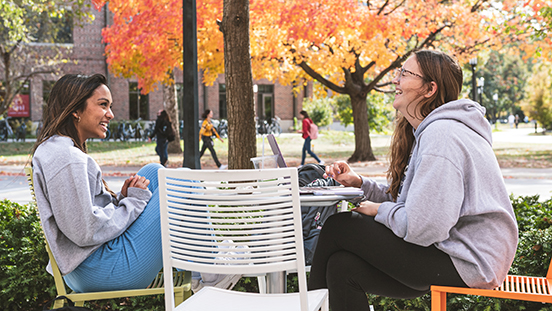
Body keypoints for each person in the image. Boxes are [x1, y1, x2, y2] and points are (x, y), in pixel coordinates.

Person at [307, 50, 518, 311]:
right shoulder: (435, 131)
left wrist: (379, 210)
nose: (396, 80)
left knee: (340, 227)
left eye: (405, 74)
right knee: (342, 267)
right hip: (453, 252)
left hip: (469, 262)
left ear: (429, 89)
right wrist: (361, 184)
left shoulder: (442, 136)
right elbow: (416, 204)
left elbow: (424, 227)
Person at [31, 74, 239, 293]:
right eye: (103, 105)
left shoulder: (55, 149)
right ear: (75, 109)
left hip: (85, 267)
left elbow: (80, 218)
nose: (110, 114)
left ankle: (200, 269)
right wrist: (131, 204)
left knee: (154, 171)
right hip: (102, 269)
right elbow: (85, 231)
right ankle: (211, 272)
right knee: (185, 181)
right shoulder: (68, 158)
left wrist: (122, 199)